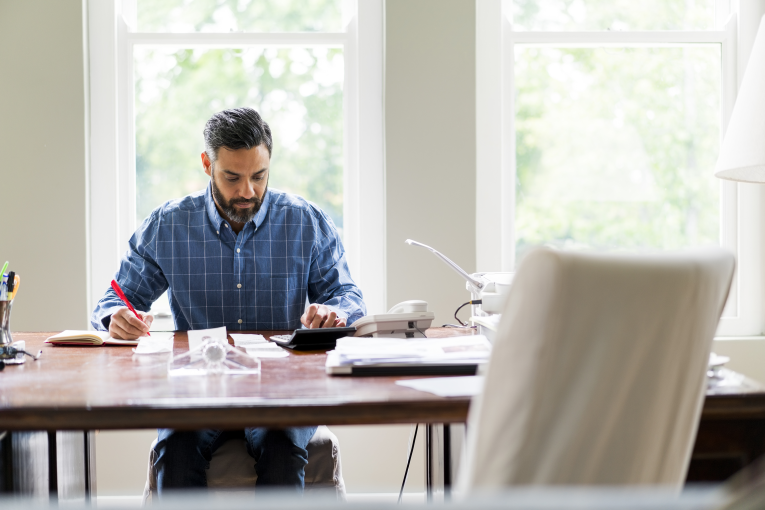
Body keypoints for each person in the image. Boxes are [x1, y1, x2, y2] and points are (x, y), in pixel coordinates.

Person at [91, 107, 366, 495]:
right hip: (195, 386)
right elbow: (113, 299)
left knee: (281, 446)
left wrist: (335, 311)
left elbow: (348, 295)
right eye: (232, 177)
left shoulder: (306, 222)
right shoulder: (168, 225)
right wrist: (115, 316)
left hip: (281, 388)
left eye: (259, 176)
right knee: (177, 448)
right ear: (207, 164)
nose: (247, 192)